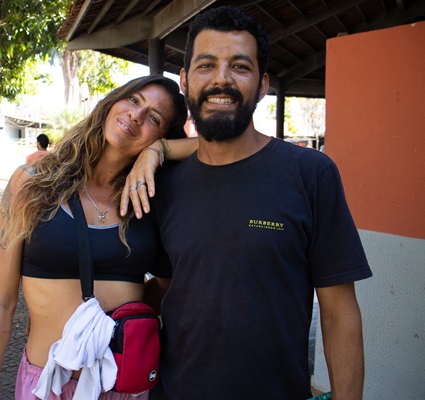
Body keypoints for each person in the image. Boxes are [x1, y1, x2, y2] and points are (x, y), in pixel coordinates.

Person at [120, 6, 372, 399]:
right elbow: (167, 285)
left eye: (239, 66)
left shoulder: (310, 174)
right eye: (206, 65)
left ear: (262, 84)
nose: (221, 79)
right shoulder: (163, 184)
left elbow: (339, 312)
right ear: (185, 80)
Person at [0, 75, 187, 400]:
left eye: (154, 118)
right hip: (46, 386)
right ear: (112, 101)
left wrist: (160, 151)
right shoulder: (32, 183)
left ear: (162, 136)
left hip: (123, 388)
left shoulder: (148, 198)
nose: (137, 115)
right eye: (134, 100)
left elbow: (222, 147)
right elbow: (0, 303)